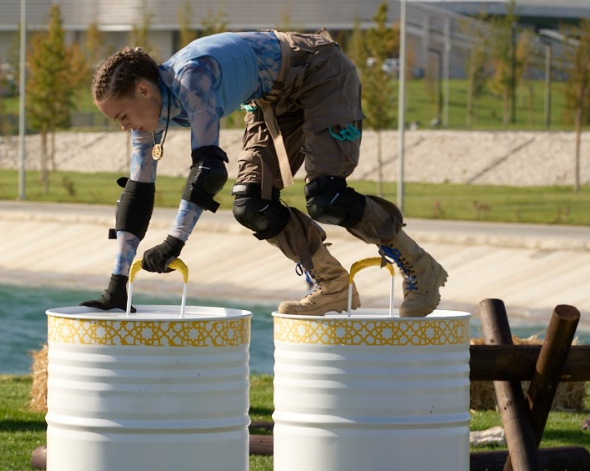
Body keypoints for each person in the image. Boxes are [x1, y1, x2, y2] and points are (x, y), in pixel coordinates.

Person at [80, 29, 447, 317]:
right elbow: (137, 196)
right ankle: (333, 284)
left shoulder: (192, 78)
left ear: (144, 90)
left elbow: (208, 171)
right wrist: (117, 285)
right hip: (271, 99)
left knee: (326, 198)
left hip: (320, 73)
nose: (124, 128)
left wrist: (174, 242)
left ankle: (418, 264)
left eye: (122, 117)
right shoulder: (149, 116)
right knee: (251, 205)